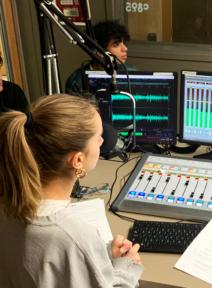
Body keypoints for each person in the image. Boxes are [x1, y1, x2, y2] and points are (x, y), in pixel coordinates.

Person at [0, 94, 143, 287]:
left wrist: (101, 257)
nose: (102, 140)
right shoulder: (75, 237)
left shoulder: (6, 205)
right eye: (98, 138)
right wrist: (126, 268)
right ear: (77, 161)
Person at [65, 20, 139, 95]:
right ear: (99, 51)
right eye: (116, 45)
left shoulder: (133, 72)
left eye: (123, 43)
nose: (125, 48)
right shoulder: (76, 81)